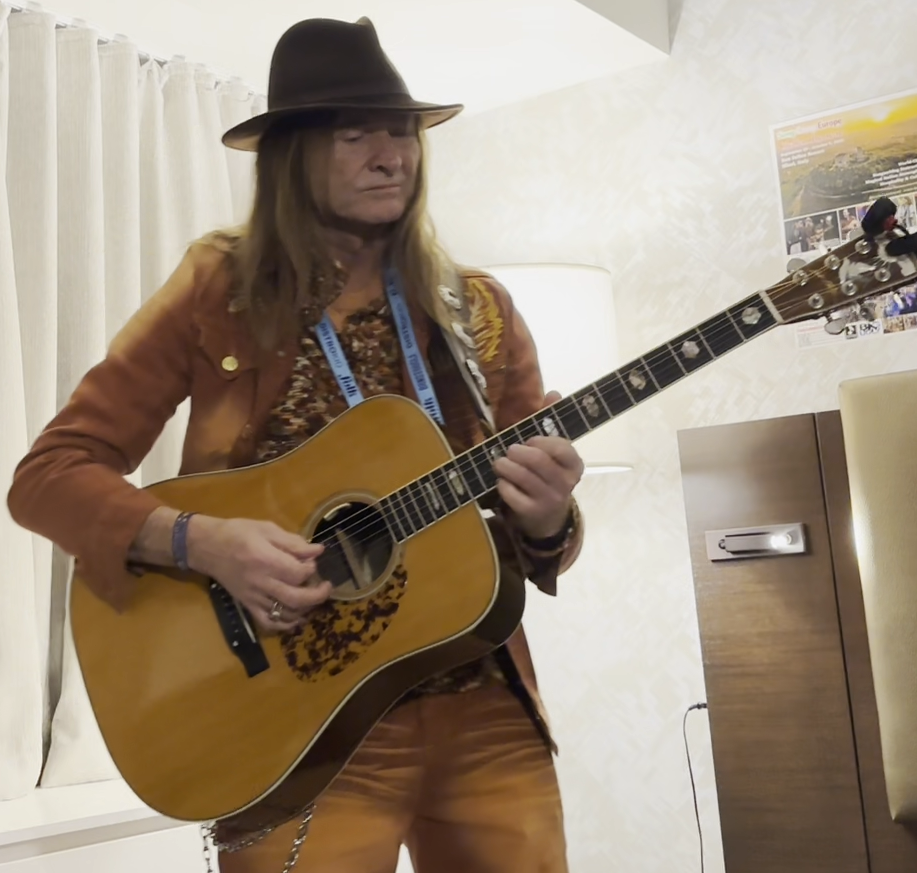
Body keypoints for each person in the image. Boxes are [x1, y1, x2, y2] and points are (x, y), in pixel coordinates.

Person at [6, 16, 585, 873]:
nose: (393, 155)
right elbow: (48, 476)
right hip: (290, 725)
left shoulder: (482, 309)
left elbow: (538, 542)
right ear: (293, 156)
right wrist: (199, 540)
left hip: (482, 708)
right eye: (358, 135)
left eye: (402, 133)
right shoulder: (220, 291)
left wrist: (549, 518)